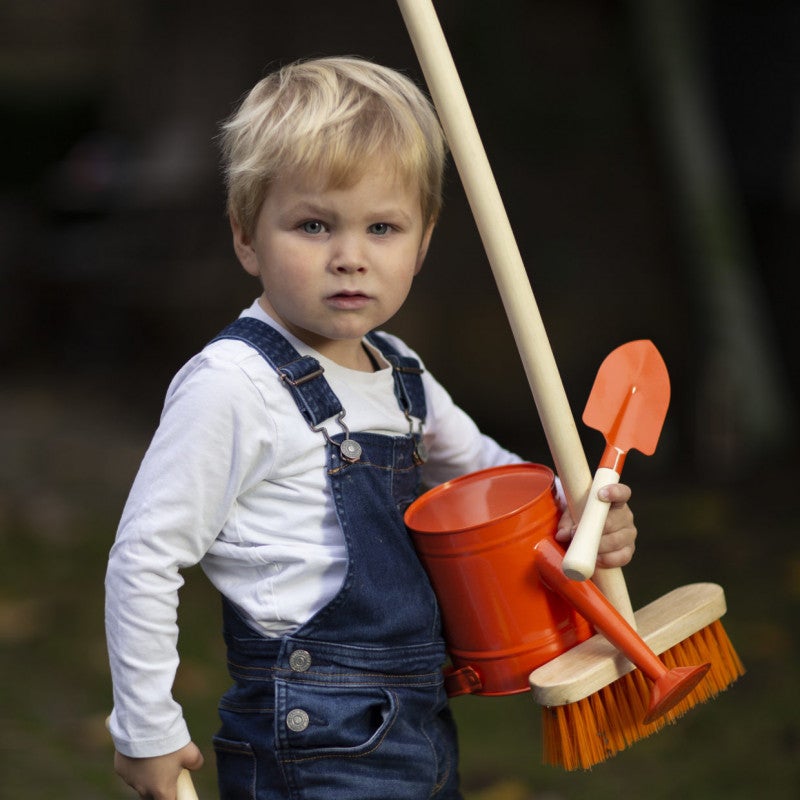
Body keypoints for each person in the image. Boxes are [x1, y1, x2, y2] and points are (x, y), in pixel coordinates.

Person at [105, 56, 637, 800]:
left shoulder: (400, 370)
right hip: (312, 740)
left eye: (382, 227)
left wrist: (579, 511)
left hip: (418, 724)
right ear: (247, 237)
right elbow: (144, 560)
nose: (350, 257)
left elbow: (493, 484)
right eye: (314, 224)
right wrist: (147, 730)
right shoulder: (234, 385)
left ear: (421, 245)